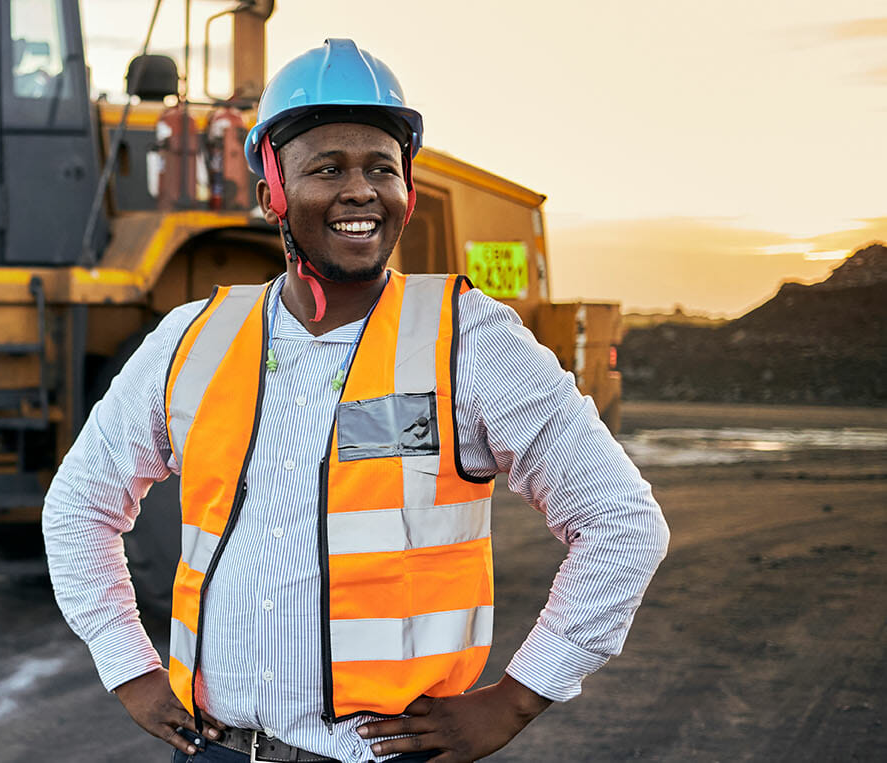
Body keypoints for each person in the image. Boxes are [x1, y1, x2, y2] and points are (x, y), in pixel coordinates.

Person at [42, 38, 669, 763]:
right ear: (269, 192)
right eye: (326, 168)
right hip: (216, 749)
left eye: (381, 168)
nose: (360, 189)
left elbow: (620, 523)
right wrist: (129, 667)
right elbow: (78, 505)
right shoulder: (192, 339)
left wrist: (518, 696)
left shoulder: (471, 341)